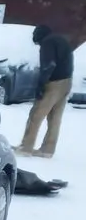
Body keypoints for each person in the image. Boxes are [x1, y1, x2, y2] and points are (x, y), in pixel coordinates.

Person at [14, 24, 74, 158]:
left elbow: (49, 65)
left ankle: (26, 147)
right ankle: (47, 150)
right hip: (66, 81)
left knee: (36, 114)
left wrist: (41, 85)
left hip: (53, 82)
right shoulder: (61, 40)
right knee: (54, 118)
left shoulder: (47, 42)